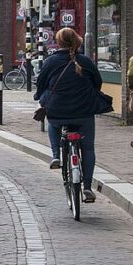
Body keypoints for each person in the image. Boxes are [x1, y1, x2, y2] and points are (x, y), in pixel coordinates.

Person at [33, 27, 103, 203]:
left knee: (53, 124)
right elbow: (98, 83)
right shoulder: (85, 61)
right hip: (84, 112)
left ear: (58, 42)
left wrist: (39, 98)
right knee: (87, 148)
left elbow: (40, 84)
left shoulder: (50, 62)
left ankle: (56, 155)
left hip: (58, 111)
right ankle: (87, 187)